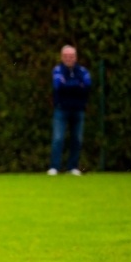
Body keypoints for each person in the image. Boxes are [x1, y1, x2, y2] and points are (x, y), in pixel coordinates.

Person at [48, 45, 92, 176]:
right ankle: (54, 167)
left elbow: (87, 86)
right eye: (66, 56)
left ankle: (72, 167)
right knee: (58, 138)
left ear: (76, 57)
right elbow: (58, 86)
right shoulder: (57, 70)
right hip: (61, 109)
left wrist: (69, 85)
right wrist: (76, 85)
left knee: (77, 139)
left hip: (78, 109)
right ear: (62, 57)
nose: (69, 58)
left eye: (71, 56)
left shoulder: (83, 71)